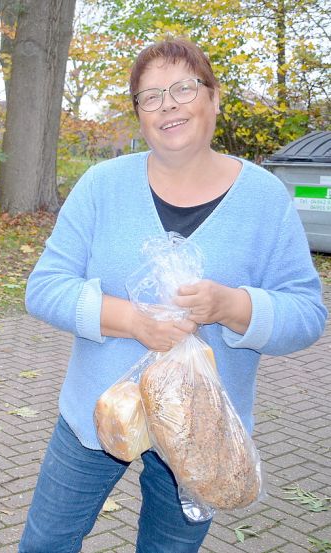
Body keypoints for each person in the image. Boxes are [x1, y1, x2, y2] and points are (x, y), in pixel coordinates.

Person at [19, 36, 326, 552]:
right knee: (45, 544)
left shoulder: (265, 198)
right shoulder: (102, 186)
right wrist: (133, 320)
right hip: (99, 413)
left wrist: (233, 306)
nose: (168, 106)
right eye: (151, 96)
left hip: (202, 427)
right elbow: (44, 288)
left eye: (184, 89)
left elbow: (308, 312)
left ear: (214, 97)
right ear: (139, 113)